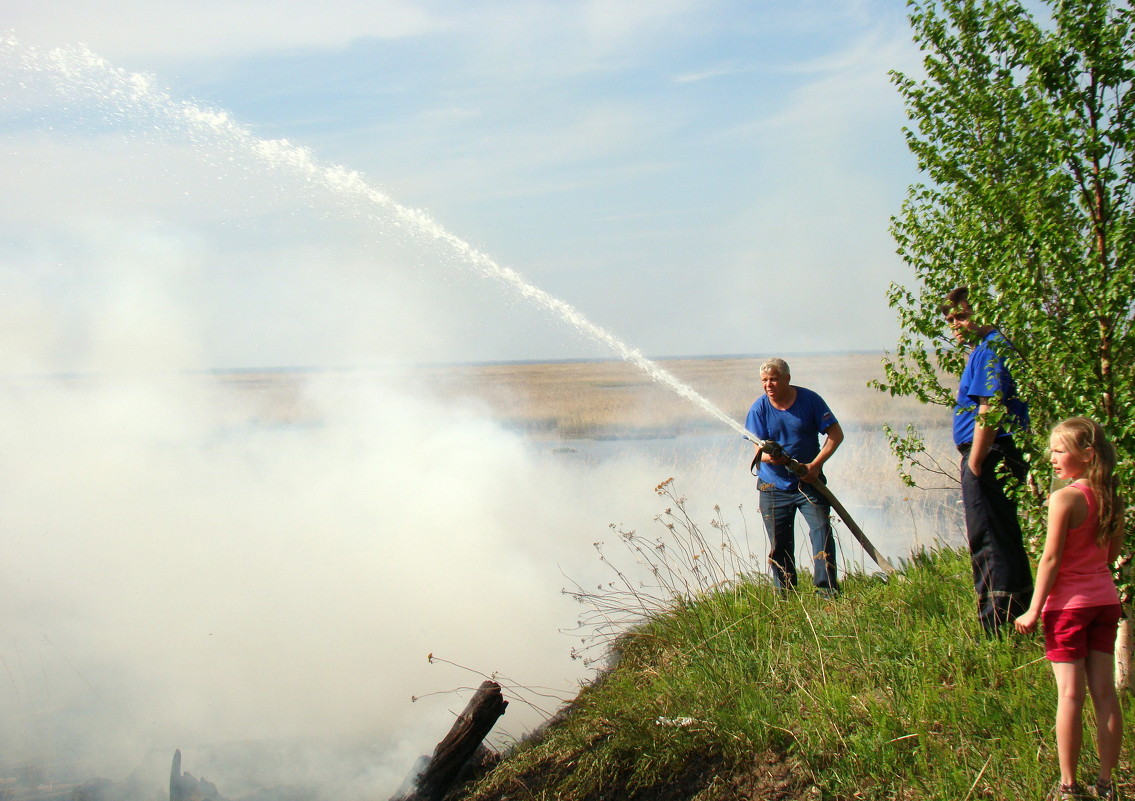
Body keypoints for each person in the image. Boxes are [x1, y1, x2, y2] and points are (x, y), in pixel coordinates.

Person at [1014, 418, 1125, 801]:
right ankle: (1107, 784)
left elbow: (1051, 559)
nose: (1052, 458)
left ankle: (1068, 786)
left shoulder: (1065, 498)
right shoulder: (1112, 495)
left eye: (1060, 450)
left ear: (1087, 455)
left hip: (1068, 608)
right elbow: (1110, 556)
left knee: (1070, 695)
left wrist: (1032, 609)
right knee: (1105, 693)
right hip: (1105, 601)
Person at [943, 286, 1033, 634]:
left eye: (962, 315)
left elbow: (990, 407)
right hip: (1000, 452)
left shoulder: (991, 348)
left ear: (982, 312)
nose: (955, 324)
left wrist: (977, 462)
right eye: (950, 319)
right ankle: (1018, 617)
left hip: (991, 454)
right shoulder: (989, 347)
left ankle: (996, 626)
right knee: (1004, 536)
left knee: (988, 541)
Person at [745, 357, 844, 595]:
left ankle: (827, 594)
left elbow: (836, 434)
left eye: (774, 379)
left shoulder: (810, 401)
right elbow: (757, 453)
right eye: (765, 380)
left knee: (822, 533)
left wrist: (815, 466)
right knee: (780, 546)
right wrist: (773, 456)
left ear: (787, 379)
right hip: (773, 487)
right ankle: (786, 598)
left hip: (809, 482)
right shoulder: (759, 409)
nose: (769, 385)